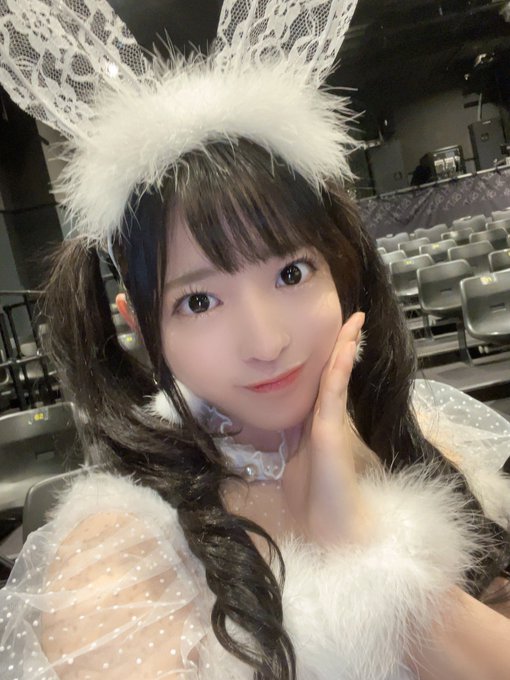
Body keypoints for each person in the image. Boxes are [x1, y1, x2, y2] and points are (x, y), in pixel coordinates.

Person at [0, 1, 510, 679]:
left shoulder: (416, 438)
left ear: (342, 269)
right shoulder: (120, 556)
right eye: (199, 300)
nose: (266, 342)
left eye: (291, 273)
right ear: (141, 326)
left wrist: (362, 548)